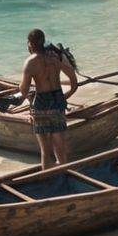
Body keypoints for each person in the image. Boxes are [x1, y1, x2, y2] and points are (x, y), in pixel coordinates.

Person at [19, 29, 79, 169]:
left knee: (46, 151)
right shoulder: (56, 57)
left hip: (41, 104)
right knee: (60, 149)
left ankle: (48, 179)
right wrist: (65, 97)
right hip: (57, 102)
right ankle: (64, 176)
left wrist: (24, 93)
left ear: (30, 44)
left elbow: (23, 90)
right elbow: (74, 82)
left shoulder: (30, 63)